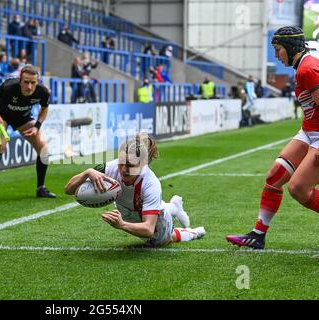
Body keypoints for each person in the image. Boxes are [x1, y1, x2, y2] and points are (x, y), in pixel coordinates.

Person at [226, 26, 319, 249]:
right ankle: (258, 235)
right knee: (275, 177)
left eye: (278, 50)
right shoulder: (302, 66)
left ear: (290, 47)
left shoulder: (308, 69)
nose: (276, 55)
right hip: (308, 132)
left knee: (297, 189)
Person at [64, 134, 205, 247]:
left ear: (142, 164)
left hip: (150, 220)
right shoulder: (110, 167)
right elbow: (68, 190)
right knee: (149, 207)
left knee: (161, 241)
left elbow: (149, 229)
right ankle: (174, 207)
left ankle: (194, 232)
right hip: (127, 211)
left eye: (130, 165)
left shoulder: (151, 184)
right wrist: (87, 173)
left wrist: (122, 225)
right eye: (121, 163)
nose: (124, 169)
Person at [0, 65, 57, 200]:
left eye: (33, 82)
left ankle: (41, 188)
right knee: (0, 146)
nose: (29, 86)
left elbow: (44, 109)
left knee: (43, 147)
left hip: (22, 117)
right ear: (20, 79)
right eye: (26, 82)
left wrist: (37, 127)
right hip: (1, 115)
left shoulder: (43, 92)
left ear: (37, 81)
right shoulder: (8, 86)